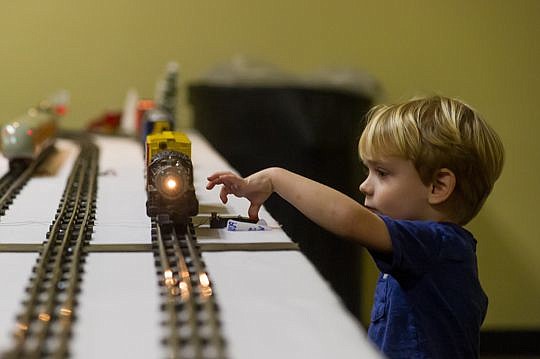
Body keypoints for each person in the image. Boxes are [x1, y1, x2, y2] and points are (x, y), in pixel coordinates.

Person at [206, 95, 505, 358]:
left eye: (383, 173)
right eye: (367, 171)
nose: (365, 185)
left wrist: (276, 178)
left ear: (438, 186)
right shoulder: (425, 247)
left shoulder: (439, 245)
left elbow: (348, 219)